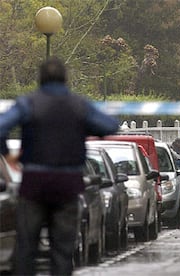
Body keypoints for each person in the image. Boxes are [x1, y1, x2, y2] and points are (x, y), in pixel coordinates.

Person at [0, 57, 119, 275]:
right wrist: (84, 127)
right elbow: (110, 125)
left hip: (34, 184)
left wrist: (7, 154)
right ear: (65, 78)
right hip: (68, 184)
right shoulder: (79, 105)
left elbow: (1, 126)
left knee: (26, 247)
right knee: (63, 250)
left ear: (40, 78)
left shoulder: (29, 102)